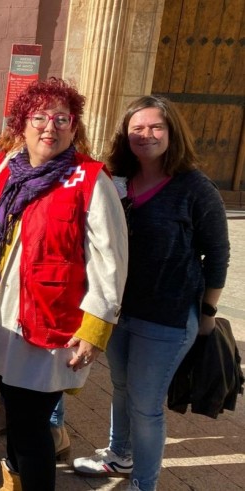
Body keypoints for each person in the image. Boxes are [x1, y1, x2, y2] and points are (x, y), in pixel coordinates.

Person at [0, 78, 128, 490]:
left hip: (51, 326)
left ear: (74, 126)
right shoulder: (1, 170)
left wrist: (96, 327)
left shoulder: (89, 181)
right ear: (22, 125)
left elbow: (110, 263)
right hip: (2, 319)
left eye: (61, 118)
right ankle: (13, 483)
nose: (50, 126)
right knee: (16, 414)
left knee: (30, 427)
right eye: (40, 117)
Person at [73, 96, 229, 491]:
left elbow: (219, 253)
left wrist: (208, 312)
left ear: (172, 132)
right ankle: (118, 455)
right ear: (125, 135)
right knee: (122, 388)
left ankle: (144, 484)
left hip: (168, 316)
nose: (146, 135)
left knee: (146, 405)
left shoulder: (195, 187)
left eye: (155, 127)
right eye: (137, 128)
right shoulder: (116, 178)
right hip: (121, 311)